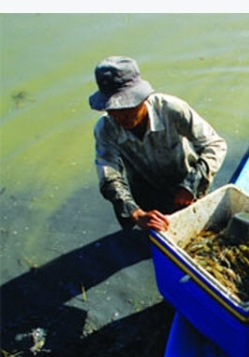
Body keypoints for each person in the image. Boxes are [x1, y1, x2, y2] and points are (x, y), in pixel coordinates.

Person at [89, 56, 227, 232]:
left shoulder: (172, 109)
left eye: (127, 106)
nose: (121, 115)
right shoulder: (106, 127)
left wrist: (191, 184)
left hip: (185, 183)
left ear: (142, 98)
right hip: (144, 193)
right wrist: (135, 213)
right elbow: (109, 176)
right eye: (113, 109)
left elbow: (215, 145)